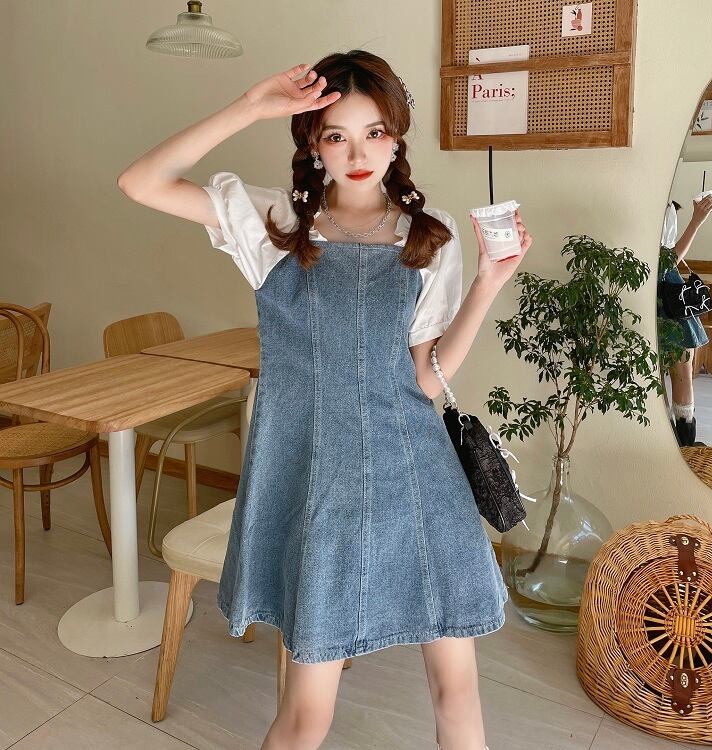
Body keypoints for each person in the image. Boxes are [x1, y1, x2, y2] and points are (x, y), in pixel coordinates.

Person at [117, 49, 532, 750]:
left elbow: (424, 380)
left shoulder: (429, 236)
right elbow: (140, 182)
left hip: (418, 477)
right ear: (313, 142)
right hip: (319, 484)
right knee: (307, 714)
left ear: (396, 138)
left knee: (457, 693)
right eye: (336, 135)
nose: (358, 153)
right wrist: (250, 107)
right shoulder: (275, 224)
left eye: (374, 132)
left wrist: (490, 283)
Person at [658, 194, 712, 446]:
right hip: (665, 293)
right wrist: (696, 221)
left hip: (663, 291)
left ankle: (681, 445)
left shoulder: (662, 204)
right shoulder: (660, 204)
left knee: (679, 371)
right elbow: (667, 261)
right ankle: (683, 446)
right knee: (680, 372)